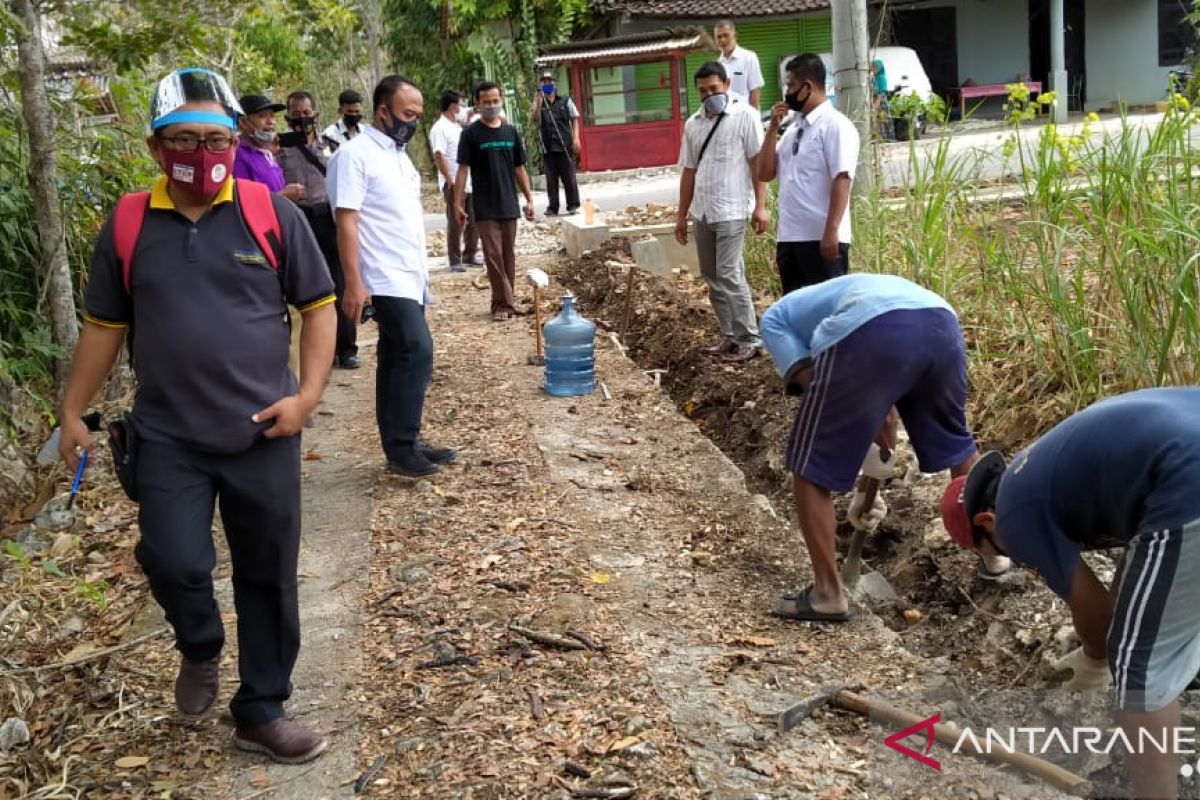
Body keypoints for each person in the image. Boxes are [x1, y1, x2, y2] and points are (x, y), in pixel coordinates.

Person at [57, 68, 336, 762]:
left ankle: (261, 708)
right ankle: (200, 643)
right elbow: (102, 327)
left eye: (215, 139)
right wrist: (72, 411)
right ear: (156, 149)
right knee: (175, 561)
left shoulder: (272, 211)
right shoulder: (126, 222)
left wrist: (306, 398)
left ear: (233, 139)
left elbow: (318, 309)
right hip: (167, 435)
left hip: (263, 429)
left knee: (268, 572)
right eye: (183, 139)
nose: (202, 153)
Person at [940, 387, 1200, 800]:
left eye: (986, 549)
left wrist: (1095, 659)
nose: (997, 556)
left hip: (1188, 478)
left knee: (1140, 669)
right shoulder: (1037, 469)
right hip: (1185, 444)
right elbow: (1138, 559)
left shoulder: (1014, 517)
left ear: (986, 521)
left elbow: (1096, 616)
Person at [759, 274, 985, 622]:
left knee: (809, 465)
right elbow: (883, 417)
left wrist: (863, 481)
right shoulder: (844, 294)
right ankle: (994, 550)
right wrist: (869, 488)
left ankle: (827, 594)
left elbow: (828, 399)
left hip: (873, 331)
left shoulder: (775, 322)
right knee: (957, 444)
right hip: (942, 324)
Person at [328, 74, 456, 477]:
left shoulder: (399, 157)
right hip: (380, 275)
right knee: (417, 351)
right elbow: (346, 220)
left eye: (418, 114)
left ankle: (404, 442)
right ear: (382, 111)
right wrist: (354, 282)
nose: (413, 121)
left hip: (407, 273)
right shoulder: (354, 155)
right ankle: (402, 449)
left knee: (396, 355)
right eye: (407, 113)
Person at [674, 61, 768, 363]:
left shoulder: (745, 117)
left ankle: (749, 338)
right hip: (704, 212)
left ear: (727, 84)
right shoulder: (693, 124)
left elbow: (758, 165)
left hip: (732, 209)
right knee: (711, 275)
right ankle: (729, 334)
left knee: (729, 273)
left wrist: (761, 207)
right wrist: (681, 214)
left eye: (714, 89)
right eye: (702, 91)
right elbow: (689, 170)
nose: (708, 95)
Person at [758, 54, 859, 295]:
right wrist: (772, 128)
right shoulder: (792, 130)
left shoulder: (835, 125)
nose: (787, 92)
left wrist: (831, 231)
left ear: (808, 87)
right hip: (790, 238)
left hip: (822, 239)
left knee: (826, 310)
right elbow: (765, 172)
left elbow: (842, 179)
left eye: (791, 85)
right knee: (796, 312)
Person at [278, 90, 359, 369]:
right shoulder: (279, 149)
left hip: (327, 218)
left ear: (316, 114)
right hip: (296, 218)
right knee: (304, 283)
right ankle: (312, 354)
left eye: (306, 113)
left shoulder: (333, 146)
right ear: (288, 118)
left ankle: (347, 348)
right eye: (296, 114)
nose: (302, 119)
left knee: (340, 280)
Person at [455, 81, 536, 321]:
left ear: (501, 101)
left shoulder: (510, 132)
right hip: (485, 205)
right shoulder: (470, 134)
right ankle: (505, 304)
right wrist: (458, 203)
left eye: (495, 101)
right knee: (493, 256)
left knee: (508, 254)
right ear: (477, 104)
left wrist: (530, 198)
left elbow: (519, 168)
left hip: (509, 203)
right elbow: (462, 170)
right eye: (486, 102)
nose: (491, 105)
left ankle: (501, 303)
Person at [429, 90, 480, 272]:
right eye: (460, 105)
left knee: (473, 219)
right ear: (453, 107)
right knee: (455, 221)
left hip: (468, 181)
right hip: (453, 182)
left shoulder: (457, 127)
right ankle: (455, 259)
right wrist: (450, 180)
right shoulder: (439, 128)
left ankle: (470, 254)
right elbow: (438, 155)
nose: (462, 109)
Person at [233, 93, 303, 203]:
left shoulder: (267, 153)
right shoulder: (238, 155)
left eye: (272, 116)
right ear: (243, 123)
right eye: (262, 116)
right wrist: (283, 195)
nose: (270, 122)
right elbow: (243, 202)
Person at [530, 69, 581, 216]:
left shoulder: (565, 101)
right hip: (547, 147)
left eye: (549, 81)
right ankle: (553, 207)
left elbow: (575, 118)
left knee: (569, 177)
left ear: (554, 83)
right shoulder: (540, 102)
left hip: (564, 144)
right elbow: (534, 118)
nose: (547, 84)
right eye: (544, 82)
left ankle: (573, 205)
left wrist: (576, 138)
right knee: (551, 180)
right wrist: (537, 100)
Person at [713, 20, 764, 109]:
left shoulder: (749, 58)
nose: (722, 39)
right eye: (719, 37)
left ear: (735, 36)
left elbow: (755, 91)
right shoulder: (717, 65)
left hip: (745, 116)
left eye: (726, 35)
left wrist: (753, 118)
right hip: (726, 117)